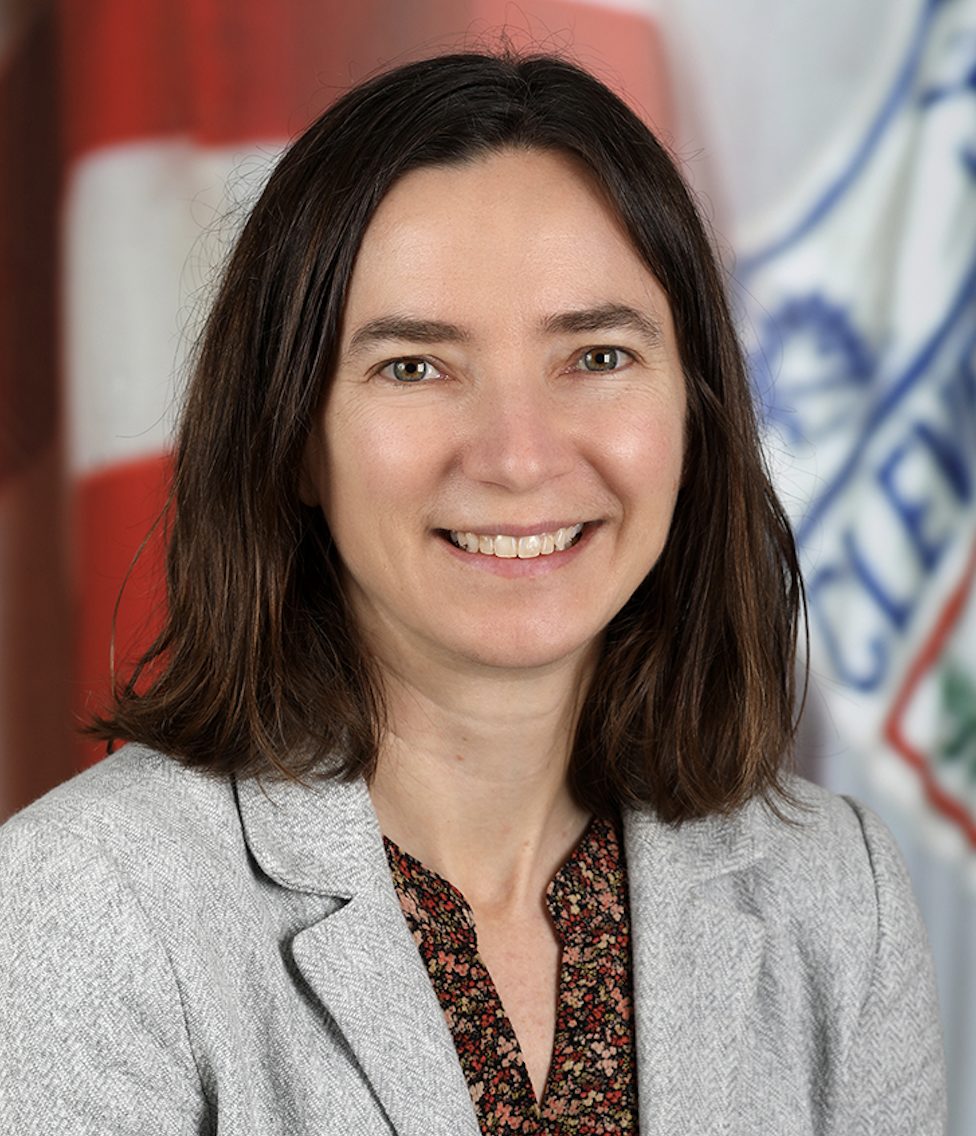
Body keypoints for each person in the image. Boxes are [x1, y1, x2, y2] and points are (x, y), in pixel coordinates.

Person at [0, 51, 946, 1135]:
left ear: (696, 411)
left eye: (594, 354)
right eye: (414, 366)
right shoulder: (89, 900)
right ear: (294, 437)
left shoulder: (838, 891)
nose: (515, 455)